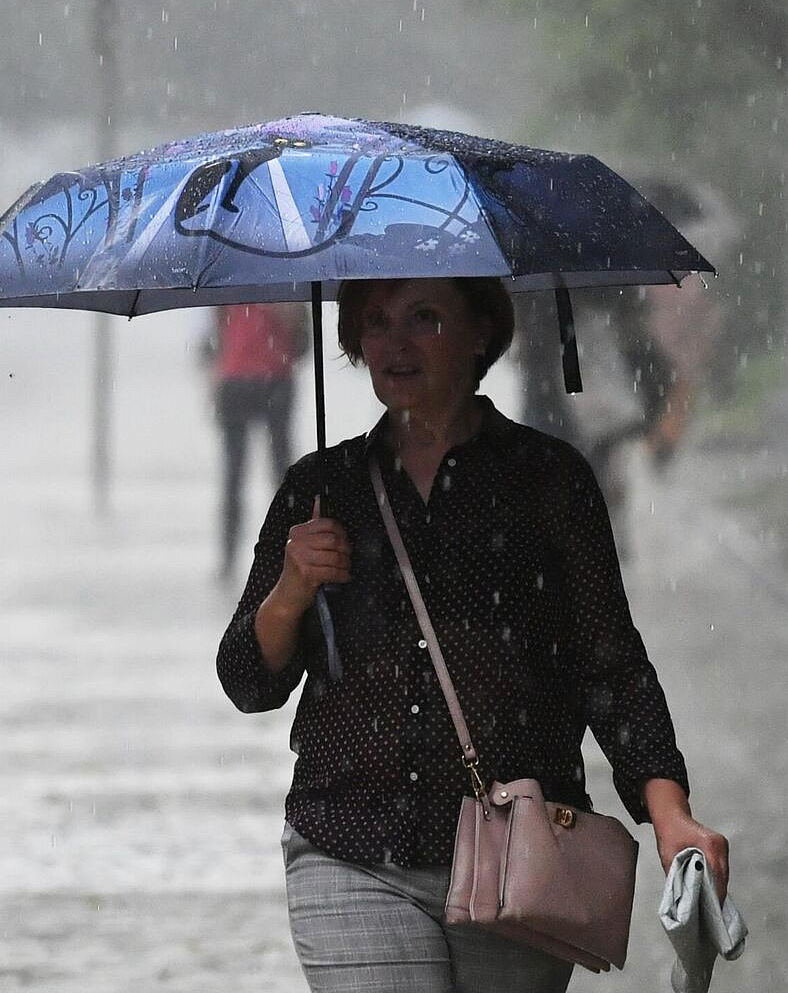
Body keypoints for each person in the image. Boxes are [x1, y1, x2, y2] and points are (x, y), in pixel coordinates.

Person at [215, 277, 728, 993]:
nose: (395, 341)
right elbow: (248, 680)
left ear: (481, 331)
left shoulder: (550, 482)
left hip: (519, 855)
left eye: (424, 317)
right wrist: (290, 591)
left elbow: (608, 665)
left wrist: (671, 816)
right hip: (350, 844)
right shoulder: (321, 489)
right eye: (377, 319)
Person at [202, 302, 310, 582]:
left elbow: (302, 343)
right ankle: (229, 558)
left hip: (270, 377)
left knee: (282, 475)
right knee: (237, 475)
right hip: (242, 378)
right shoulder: (282, 275)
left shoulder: (279, 284)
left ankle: (286, 552)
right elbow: (213, 336)